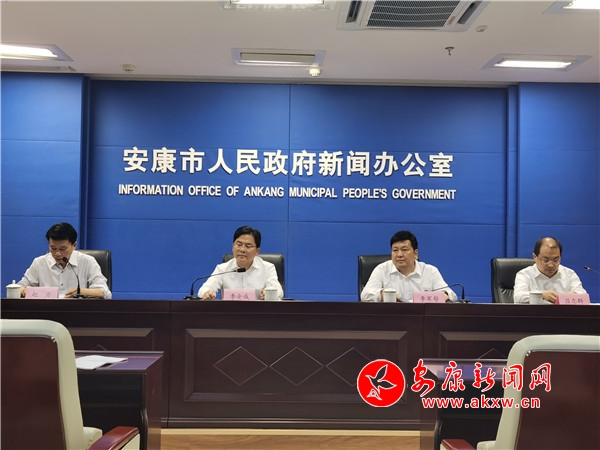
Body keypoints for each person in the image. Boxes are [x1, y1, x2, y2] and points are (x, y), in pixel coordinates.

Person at [17, 222, 111, 299]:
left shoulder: (87, 262)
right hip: (46, 312)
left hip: (77, 312)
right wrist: (23, 291)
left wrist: (81, 292)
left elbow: (105, 292)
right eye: (53, 248)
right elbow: (20, 287)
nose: (57, 253)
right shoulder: (39, 263)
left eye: (62, 249)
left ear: (74, 245)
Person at [360, 230, 457, 302]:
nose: (399, 254)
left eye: (404, 250)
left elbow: (451, 295)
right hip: (390, 318)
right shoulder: (382, 269)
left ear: (415, 253)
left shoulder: (430, 271)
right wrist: (382, 294)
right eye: (395, 250)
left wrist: (442, 296)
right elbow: (365, 295)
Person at [198, 225, 283, 300]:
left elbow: (278, 291)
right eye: (239, 245)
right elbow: (204, 289)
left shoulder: (267, 268)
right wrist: (207, 293)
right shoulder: (223, 269)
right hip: (230, 312)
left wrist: (269, 294)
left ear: (257, 251)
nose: (242, 249)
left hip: (257, 312)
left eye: (248, 246)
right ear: (233, 246)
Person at [513, 237, 586, 304]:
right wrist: (541, 295)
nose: (551, 265)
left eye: (556, 260)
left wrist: (574, 295)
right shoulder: (524, 274)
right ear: (535, 257)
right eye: (546, 260)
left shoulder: (569, 274)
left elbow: (583, 295)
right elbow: (518, 297)